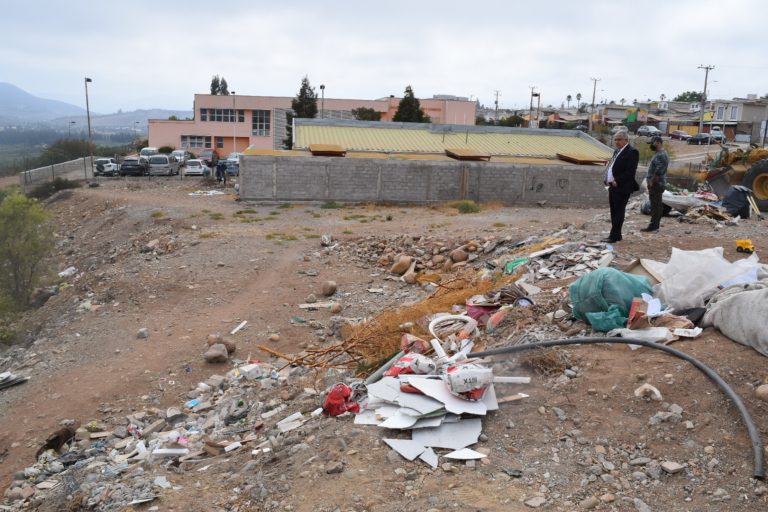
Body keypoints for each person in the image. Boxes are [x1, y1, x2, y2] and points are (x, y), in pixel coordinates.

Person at [602, 132, 639, 243]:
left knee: (619, 211)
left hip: (622, 187)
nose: (616, 142)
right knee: (614, 211)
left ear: (626, 140)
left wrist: (617, 181)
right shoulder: (617, 151)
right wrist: (607, 178)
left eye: (619, 139)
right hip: (612, 186)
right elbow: (612, 166)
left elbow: (630, 172)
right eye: (615, 139)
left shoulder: (632, 152)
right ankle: (616, 235)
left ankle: (614, 236)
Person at [642, 136, 669, 232]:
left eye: (652, 143)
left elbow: (659, 172)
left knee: (656, 205)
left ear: (658, 143)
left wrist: (651, 182)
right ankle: (654, 225)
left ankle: (654, 226)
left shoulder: (661, 155)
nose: (651, 145)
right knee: (655, 205)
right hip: (655, 184)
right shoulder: (658, 154)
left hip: (656, 184)